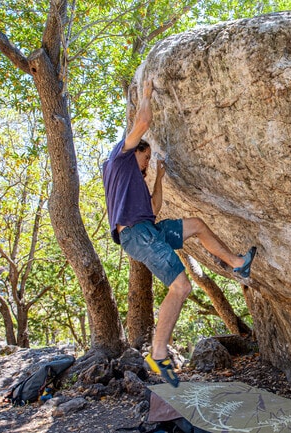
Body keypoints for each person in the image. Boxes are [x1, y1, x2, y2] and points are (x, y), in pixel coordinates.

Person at [102, 79, 256, 387]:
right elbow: (143, 121)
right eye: (146, 160)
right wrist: (145, 95)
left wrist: (157, 177)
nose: (146, 166)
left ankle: (237, 263)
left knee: (197, 225)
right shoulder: (120, 157)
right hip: (137, 234)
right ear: (135, 150)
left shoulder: (132, 175)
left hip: (148, 228)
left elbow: (153, 208)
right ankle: (158, 353)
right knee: (182, 287)